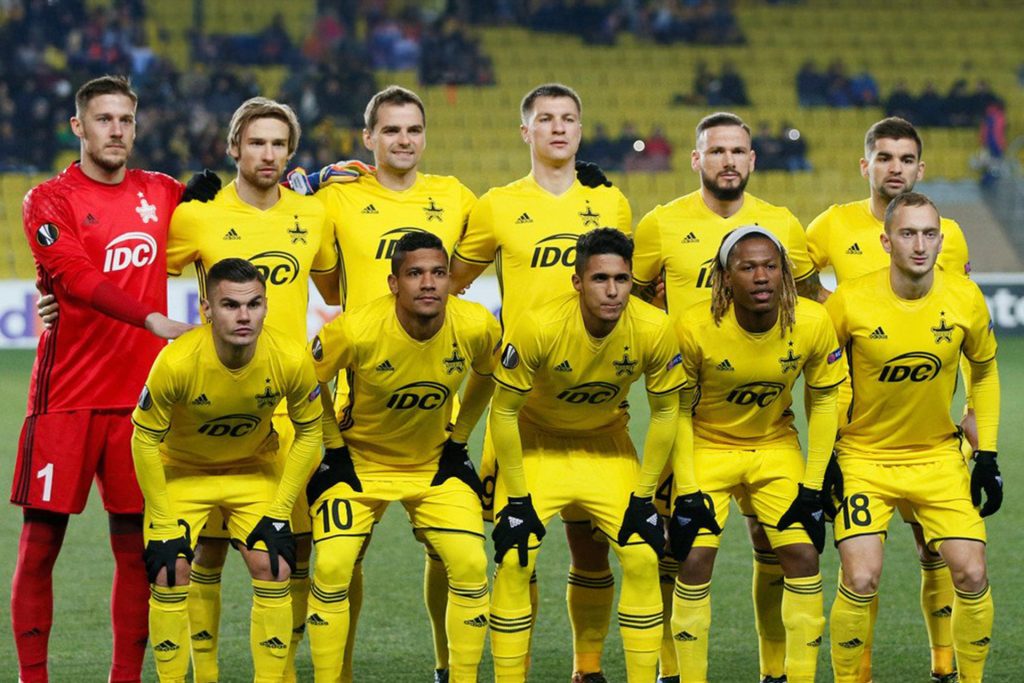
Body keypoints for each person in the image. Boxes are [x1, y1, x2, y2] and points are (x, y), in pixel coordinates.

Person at [9, 74, 212, 683]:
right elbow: (74, 278)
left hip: (139, 404)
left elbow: (240, 211)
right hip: (66, 398)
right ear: (79, 126)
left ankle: (125, 677)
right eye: (104, 119)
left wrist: (313, 178)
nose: (117, 131)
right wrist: (151, 317)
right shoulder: (49, 200)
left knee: (135, 548)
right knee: (40, 547)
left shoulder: (161, 191)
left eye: (126, 119)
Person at [450, 83, 631, 683]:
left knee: (592, 548)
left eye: (568, 118)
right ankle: (515, 670)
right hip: (521, 407)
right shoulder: (497, 205)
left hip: (596, 406)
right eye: (546, 119)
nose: (558, 128)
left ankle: (588, 668)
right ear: (525, 131)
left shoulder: (612, 204)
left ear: (580, 130)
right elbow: (451, 282)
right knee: (515, 553)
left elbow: (630, 287)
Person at [631, 111, 820, 683]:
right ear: (697, 159)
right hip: (689, 413)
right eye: (716, 151)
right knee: (678, 546)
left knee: (776, 544)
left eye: (738, 151)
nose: (728, 161)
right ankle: (672, 670)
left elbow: (811, 302)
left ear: (752, 159)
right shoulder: (661, 223)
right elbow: (632, 304)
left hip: (767, 419)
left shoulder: (782, 224)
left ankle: (777, 670)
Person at [165, 96, 339, 682]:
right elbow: (140, 270)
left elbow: (335, 286)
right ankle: (206, 673)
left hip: (291, 404)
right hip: (216, 404)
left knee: (295, 548)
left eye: (278, 144)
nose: (267, 153)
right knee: (208, 550)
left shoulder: (312, 214)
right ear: (234, 147)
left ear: (291, 153)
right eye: (256, 142)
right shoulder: (199, 216)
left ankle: (281, 670)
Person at [805, 116, 971, 683]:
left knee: (935, 549)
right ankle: (860, 672)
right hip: (860, 434)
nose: (894, 168)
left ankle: (944, 666)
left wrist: (972, 408)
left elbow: (964, 318)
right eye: (884, 157)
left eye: (905, 159)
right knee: (862, 565)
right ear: (865, 165)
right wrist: (828, 304)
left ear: (920, 168)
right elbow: (794, 277)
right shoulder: (833, 224)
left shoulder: (948, 233)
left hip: (929, 426)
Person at [303, 232, 500, 682]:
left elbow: (488, 373)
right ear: (394, 283)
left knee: (471, 563)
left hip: (434, 465)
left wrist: (459, 442)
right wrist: (334, 448)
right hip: (358, 465)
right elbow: (306, 380)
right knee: (332, 566)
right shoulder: (355, 329)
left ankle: (456, 676)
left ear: (450, 279)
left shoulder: (475, 325)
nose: (428, 283)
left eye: (438, 273)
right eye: (415, 273)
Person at [488, 228, 682, 682]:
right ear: (577, 281)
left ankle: (608, 672)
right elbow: (503, 412)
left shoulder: (654, 328)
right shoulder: (539, 325)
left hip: (606, 447)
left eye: (622, 279)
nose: (612, 291)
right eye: (600, 279)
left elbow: (667, 412)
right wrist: (517, 498)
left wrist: (644, 496)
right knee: (515, 558)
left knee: (643, 556)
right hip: (537, 445)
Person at [824, 192, 1001, 683]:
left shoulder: (965, 297)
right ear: (886, 242)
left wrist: (986, 453)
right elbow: (822, 381)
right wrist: (827, 455)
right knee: (861, 576)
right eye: (907, 234)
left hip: (937, 456)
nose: (919, 245)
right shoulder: (849, 300)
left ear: (941, 240)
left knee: (972, 572)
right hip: (864, 458)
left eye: (928, 234)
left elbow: (985, 371)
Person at [130, 257, 323, 682]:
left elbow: (311, 432)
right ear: (207, 309)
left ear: (266, 306)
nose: (243, 316)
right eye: (230, 305)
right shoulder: (177, 362)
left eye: (253, 304)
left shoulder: (290, 357)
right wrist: (162, 520)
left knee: (275, 564)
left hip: (252, 470)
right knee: (168, 568)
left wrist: (280, 511)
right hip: (183, 472)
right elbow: (142, 440)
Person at [667, 226, 844, 683]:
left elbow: (825, 400)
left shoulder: (812, 321)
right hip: (707, 445)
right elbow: (676, 412)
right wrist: (687, 487)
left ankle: (790, 676)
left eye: (771, 266)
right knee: (693, 558)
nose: (761, 276)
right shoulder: (693, 326)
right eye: (748, 267)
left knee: (803, 555)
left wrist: (813, 485)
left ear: (785, 272)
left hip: (774, 446)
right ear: (726, 277)